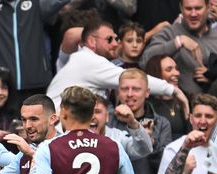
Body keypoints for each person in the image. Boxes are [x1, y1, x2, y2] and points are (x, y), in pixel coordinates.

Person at [47, 19, 185, 112]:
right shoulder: (88, 60)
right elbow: (131, 79)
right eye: (109, 39)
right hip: (59, 127)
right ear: (91, 41)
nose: (115, 43)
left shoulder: (85, 58)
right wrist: (172, 90)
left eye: (116, 39)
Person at [141, 0, 217, 97]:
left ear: (208, 7)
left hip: (215, 107)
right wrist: (177, 42)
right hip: (176, 106)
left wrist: (213, 76)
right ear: (181, 9)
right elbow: (145, 60)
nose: (193, 14)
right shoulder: (169, 33)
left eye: (198, 8)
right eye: (188, 9)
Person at [111, 68, 172, 174]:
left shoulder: (161, 123)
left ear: (147, 92)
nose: (129, 94)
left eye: (136, 89)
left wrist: (152, 142)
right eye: (124, 89)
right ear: (118, 93)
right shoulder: (108, 121)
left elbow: (166, 166)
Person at [89, 95, 154, 161]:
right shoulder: (77, 136)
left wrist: (133, 123)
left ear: (107, 117)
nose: (91, 117)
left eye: (97, 111)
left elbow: (145, 150)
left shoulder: (118, 138)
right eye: (86, 112)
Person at [144, 54, 190, 140]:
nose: (177, 73)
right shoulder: (147, 105)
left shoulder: (186, 98)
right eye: (169, 70)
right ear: (156, 74)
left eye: (176, 68)